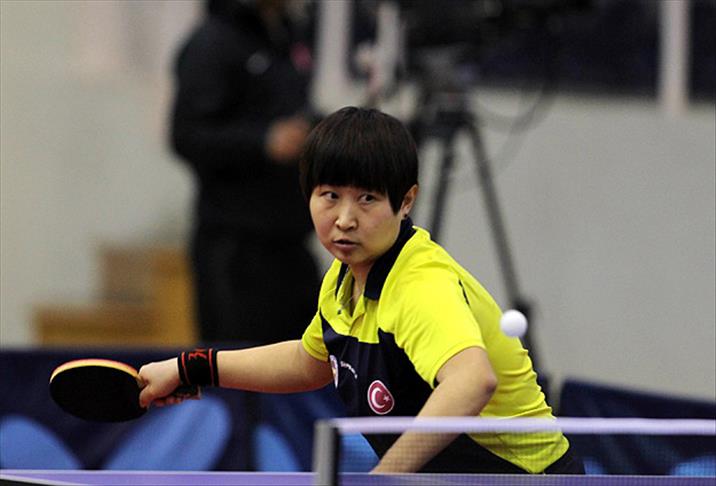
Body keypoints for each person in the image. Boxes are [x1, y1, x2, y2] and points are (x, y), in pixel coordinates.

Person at [140, 107, 584, 474]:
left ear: (405, 201)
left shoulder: (419, 285)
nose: (345, 219)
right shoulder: (344, 277)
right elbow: (309, 362)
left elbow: (473, 381)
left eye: (367, 198)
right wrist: (191, 368)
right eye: (329, 195)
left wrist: (385, 477)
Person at [170, 0, 320, 344]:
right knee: (238, 366)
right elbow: (187, 135)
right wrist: (263, 141)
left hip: (292, 239)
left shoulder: (289, 35)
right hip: (236, 247)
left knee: (310, 359)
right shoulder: (213, 42)